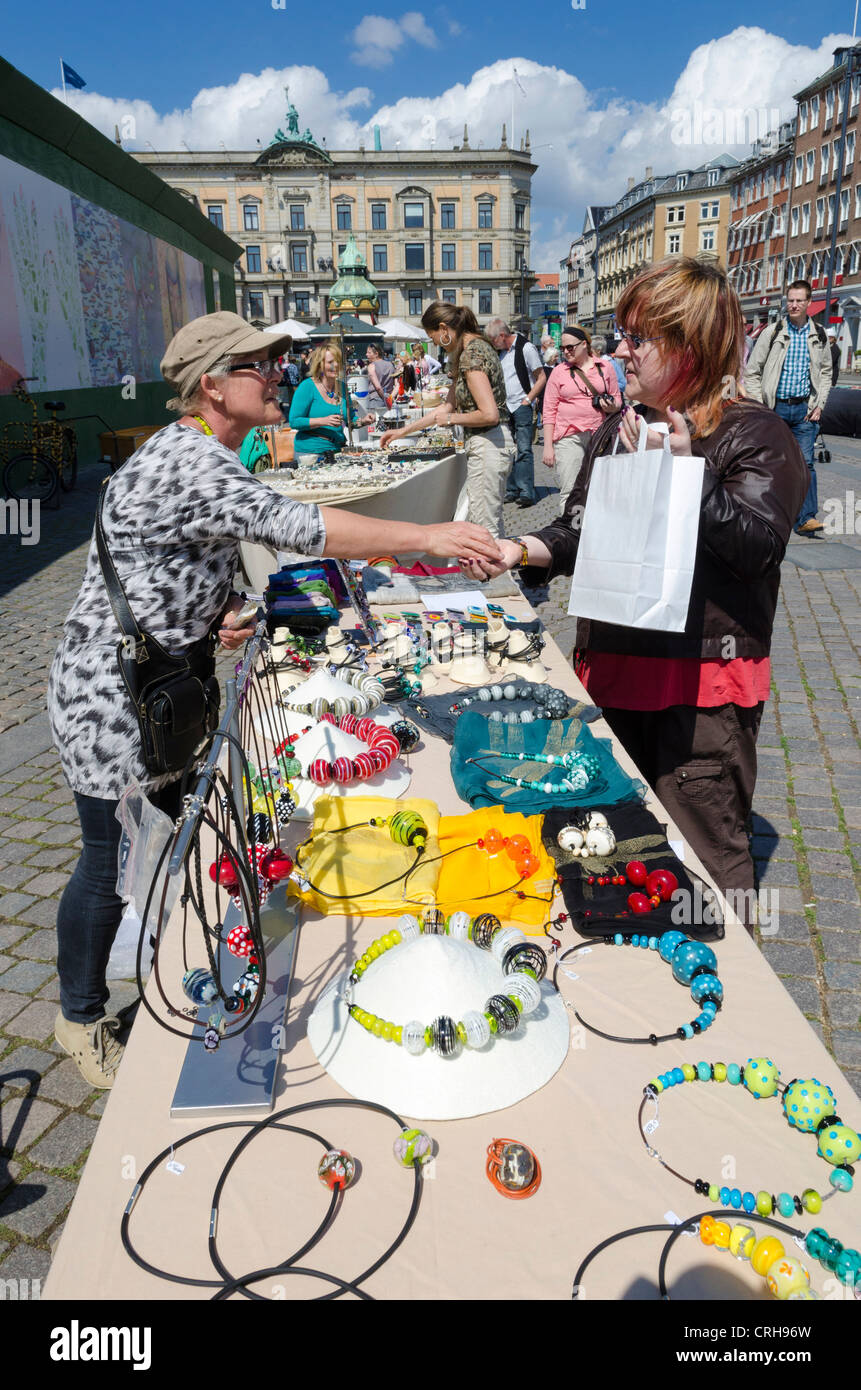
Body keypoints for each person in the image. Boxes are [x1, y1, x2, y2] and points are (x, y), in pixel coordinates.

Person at [47, 310, 502, 1088]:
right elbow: (297, 526)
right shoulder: (193, 457)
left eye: (278, 358)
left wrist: (218, 603)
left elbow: (171, 546)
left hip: (157, 677)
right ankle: (79, 1017)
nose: (277, 373)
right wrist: (426, 536)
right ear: (212, 385)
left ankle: (172, 951)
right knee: (108, 858)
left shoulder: (205, 451)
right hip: (113, 695)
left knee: (171, 834)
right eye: (258, 364)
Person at [460, 258, 808, 927]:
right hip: (613, 668)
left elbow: (757, 548)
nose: (623, 351)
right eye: (624, 335)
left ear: (689, 347)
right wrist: (517, 549)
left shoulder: (753, 433)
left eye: (639, 338)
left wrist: (689, 474)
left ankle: (731, 989)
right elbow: (575, 531)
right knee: (609, 839)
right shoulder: (616, 429)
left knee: (704, 855)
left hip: (698, 686)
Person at [379, 302, 515, 537]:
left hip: (488, 444)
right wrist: (402, 432)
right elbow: (445, 407)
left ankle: (492, 573)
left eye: (433, 338)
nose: (433, 344)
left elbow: (488, 413)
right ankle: (496, 570)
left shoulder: (472, 354)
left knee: (485, 530)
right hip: (490, 444)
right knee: (489, 524)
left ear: (443, 329)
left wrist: (451, 419)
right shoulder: (473, 349)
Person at [744, 280, 832, 535]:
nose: (793, 305)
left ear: (808, 303)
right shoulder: (773, 332)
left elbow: (826, 372)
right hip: (776, 410)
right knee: (771, 463)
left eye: (798, 300)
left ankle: (806, 518)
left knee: (806, 464)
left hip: (805, 411)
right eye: (790, 300)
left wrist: (820, 404)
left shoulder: (819, 335)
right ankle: (765, 514)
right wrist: (762, 407)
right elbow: (753, 372)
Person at [541, 324, 622, 504]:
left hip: (600, 435)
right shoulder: (558, 372)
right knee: (571, 491)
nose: (566, 352)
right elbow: (548, 410)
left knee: (599, 488)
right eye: (563, 348)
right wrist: (547, 445)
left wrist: (611, 406)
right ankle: (569, 531)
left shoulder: (605, 367)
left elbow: (618, 400)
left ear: (584, 344)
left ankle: (592, 531)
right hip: (569, 436)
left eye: (570, 347)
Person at [487, 316, 546, 508]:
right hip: (506, 407)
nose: (492, 344)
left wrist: (527, 400)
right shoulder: (502, 353)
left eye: (493, 340)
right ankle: (512, 490)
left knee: (524, 449)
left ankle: (526, 491)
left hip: (521, 406)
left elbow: (541, 377)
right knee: (509, 451)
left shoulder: (526, 348)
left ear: (502, 336)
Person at [288, 341, 374, 457]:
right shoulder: (307, 386)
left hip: (337, 450)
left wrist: (363, 421)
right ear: (320, 365)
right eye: (330, 362)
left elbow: (350, 420)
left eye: (338, 361)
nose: (336, 365)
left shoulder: (342, 387)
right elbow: (294, 421)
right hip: (310, 452)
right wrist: (323, 421)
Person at [365, 343, 395, 412]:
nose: (366, 354)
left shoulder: (371, 366)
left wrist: (384, 398)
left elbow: (378, 387)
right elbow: (397, 385)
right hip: (389, 399)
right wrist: (390, 398)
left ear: (376, 354)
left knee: (374, 421)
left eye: (369, 353)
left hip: (376, 399)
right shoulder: (390, 365)